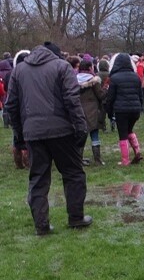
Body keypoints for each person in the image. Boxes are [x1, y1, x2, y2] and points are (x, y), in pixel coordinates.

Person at [5, 43, 92, 235]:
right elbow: (72, 99)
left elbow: (11, 106)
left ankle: (41, 225)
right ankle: (76, 217)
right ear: (56, 54)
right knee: (73, 174)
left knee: (38, 179)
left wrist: (19, 136)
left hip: (33, 133)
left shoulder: (19, 70)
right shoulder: (62, 67)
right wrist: (80, 127)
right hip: (62, 130)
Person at [104, 53, 144, 166]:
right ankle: (137, 151)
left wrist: (109, 111)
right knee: (129, 130)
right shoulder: (136, 77)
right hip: (135, 109)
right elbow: (140, 94)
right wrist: (140, 106)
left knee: (122, 134)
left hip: (121, 110)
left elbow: (111, 97)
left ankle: (125, 160)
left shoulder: (114, 78)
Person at [76, 60, 105, 165]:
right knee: (94, 135)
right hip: (92, 110)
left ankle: (78, 159)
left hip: (79, 110)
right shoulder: (94, 81)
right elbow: (100, 95)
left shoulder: (73, 80)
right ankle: (97, 159)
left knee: (81, 136)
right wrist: (105, 89)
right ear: (89, 68)